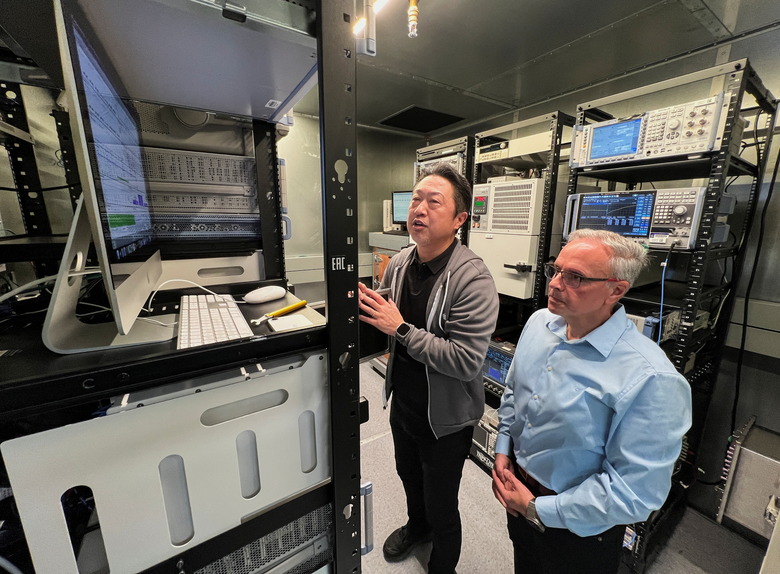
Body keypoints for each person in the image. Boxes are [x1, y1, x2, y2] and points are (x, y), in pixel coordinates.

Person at [491, 228, 692, 574]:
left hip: (577, 528)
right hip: (517, 489)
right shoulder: (540, 324)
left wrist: (539, 509)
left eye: (576, 278)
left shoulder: (651, 378)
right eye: (555, 270)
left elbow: (635, 492)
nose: (555, 284)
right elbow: (514, 392)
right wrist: (504, 448)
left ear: (616, 290)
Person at [359, 163, 499, 574]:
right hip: (404, 403)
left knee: (442, 501)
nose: (418, 208)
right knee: (408, 476)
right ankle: (416, 527)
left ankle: (443, 564)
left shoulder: (473, 279)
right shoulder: (402, 261)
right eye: (415, 199)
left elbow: (466, 359)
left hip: (447, 419)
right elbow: (383, 311)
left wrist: (399, 329)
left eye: (432, 201)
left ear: (459, 219)